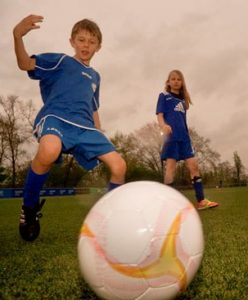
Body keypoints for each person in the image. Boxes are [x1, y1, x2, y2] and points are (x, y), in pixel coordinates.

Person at [13, 15, 126, 241]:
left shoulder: (95, 76)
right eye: (81, 40)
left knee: (119, 165)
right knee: (49, 151)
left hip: (85, 127)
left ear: (99, 47)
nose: (86, 45)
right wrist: (17, 36)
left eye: (91, 42)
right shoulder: (61, 61)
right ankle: (29, 208)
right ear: (72, 41)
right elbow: (25, 64)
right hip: (57, 117)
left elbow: (93, 108)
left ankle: (112, 219)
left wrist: (99, 131)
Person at [156, 69, 218, 210]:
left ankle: (201, 201)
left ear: (182, 82)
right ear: (168, 82)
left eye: (179, 79)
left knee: (194, 166)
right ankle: (167, 203)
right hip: (171, 138)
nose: (176, 81)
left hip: (184, 139)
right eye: (173, 79)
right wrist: (163, 125)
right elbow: (159, 115)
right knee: (171, 169)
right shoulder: (164, 96)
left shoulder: (183, 101)